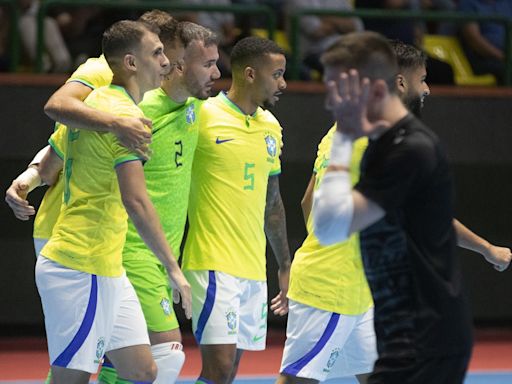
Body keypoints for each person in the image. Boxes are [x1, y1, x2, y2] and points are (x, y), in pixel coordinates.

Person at [276, 38, 511, 384]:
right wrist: (488, 249)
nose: (427, 88)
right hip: (332, 288)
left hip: (355, 288)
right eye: (423, 79)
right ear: (400, 82)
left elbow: (308, 199)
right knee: (297, 380)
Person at [33, 19, 191, 383]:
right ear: (131, 63)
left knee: (144, 368)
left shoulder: (99, 104)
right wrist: (172, 267)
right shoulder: (124, 115)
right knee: (69, 379)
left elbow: (52, 159)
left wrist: (27, 177)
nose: (166, 61)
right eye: (157, 53)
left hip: (107, 267)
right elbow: (136, 201)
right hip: (79, 265)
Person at [312, 31, 473, 383]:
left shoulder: (409, 150)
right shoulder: (381, 145)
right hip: (399, 322)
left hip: (427, 328)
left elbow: (329, 224)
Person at [98, 21, 221, 384]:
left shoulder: (197, 109)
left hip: (161, 252)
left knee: (120, 363)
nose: (216, 73)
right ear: (179, 65)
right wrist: (32, 174)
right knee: (165, 354)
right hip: (133, 249)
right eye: (208, 64)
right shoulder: (141, 109)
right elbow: (73, 135)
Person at [182, 36, 291, 384]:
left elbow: (272, 204)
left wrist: (285, 264)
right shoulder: (201, 114)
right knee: (218, 368)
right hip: (211, 261)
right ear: (248, 74)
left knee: (227, 373)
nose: (283, 83)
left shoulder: (271, 127)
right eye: (276, 74)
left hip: (252, 268)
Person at [458, 0, 512, 85]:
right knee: (506, 70)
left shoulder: (508, 2)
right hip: (484, 58)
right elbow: (474, 39)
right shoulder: (468, 4)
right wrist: (504, 57)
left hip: (507, 56)